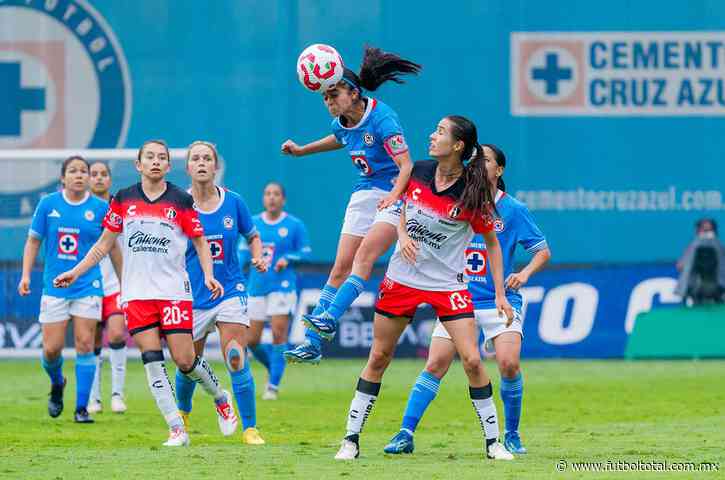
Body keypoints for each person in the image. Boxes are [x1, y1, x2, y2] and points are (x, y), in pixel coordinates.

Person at [333, 116, 515, 461]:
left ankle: (494, 443)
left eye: (441, 132)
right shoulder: (417, 171)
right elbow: (400, 208)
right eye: (434, 129)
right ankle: (350, 440)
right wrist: (401, 235)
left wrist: (500, 293)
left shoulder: (472, 194)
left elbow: (491, 243)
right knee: (378, 357)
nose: (432, 136)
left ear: (458, 146)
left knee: (473, 361)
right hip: (402, 280)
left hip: (448, 286)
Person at [53, 140, 236, 447]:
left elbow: (201, 242)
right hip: (137, 295)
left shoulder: (180, 200)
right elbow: (103, 244)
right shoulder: (123, 199)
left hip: (174, 293)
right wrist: (75, 271)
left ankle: (220, 396)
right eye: (149, 157)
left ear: (167, 165)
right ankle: (176, 429)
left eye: (161, 157)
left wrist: (207, 275)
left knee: (185, 360)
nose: (155, 161)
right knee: (152, 360)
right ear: (138, 165)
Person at [384, 144, 551, 456]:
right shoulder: (455, 198)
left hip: (498, 300)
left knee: (509, 364)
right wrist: (405, 238)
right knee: (435, 363)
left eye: (485, 160)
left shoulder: (512, 209)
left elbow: (543, 251)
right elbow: (407, 209)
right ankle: (405, 432)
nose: (478, 163)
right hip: (459, 299)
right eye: (475, 158)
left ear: (499, 170)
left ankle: (511, 434)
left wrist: (524, 274)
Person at [282, 46, 421, 364]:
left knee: (364, 258)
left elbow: (406, 165)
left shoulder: (382, 119)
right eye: (325, 98)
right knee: (338, 269)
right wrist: (302, 150)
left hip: (395, 193)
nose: (329, 101)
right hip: (364, 192)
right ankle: (312, 344)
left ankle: (329, 318)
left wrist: (394, 196)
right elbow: (339, 138)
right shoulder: (341, 123)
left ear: (354, 92)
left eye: (334, 94)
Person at [174, 141, 267, 445]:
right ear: (188, 167)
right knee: (187, 362)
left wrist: (259, 255)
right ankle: (183, 416)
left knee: (236, 357)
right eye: (195, 159)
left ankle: (250, 429)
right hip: (192, 295)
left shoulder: (234, 202)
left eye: (207, 158)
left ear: (216, 166)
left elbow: (252, 235)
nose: (201, 163)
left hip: (230, 289)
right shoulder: (178, 205)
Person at [18, 155, 109, 423]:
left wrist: (125, 281)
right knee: (51, 350)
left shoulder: (100, 208)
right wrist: (25, 275)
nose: (79, 175)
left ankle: (81, 409)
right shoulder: (48, 204)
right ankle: (58, 384)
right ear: (63, 177)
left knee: (84, 344)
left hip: (88, 285)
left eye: (84, 171)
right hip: (55, 287)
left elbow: (110, 247)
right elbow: (34, 241)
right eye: (73, 171)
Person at [244, 182, 310, 399]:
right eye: (268, 194)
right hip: (257, 285)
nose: (272, 198)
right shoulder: (252, 223)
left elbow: (305, 252)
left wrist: (287, 258)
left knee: (278, 335)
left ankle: (272, 386)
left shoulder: (294, 225)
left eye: (276, 194)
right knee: (251, 340)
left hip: (282, 286)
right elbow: (241, 253)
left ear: (283, 199)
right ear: (263, 198)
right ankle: (274, 368)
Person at [87, 161, 128, 414]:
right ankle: (93, 398)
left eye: (104, 174)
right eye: (94, 174)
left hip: (115, 284)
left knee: (115, 335)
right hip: (88, 285)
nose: (99, 178)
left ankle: (117, 394)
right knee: (90, 344)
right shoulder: (82, 210)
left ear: (110, 180)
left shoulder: (121, 208)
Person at [675, 218, 725, 304]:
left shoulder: (718, 246)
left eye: (709, 229)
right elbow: (681, 266)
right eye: (704, 229)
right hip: (695, 284)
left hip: (718, 285)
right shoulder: (693, 246)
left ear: (714, 230)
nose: (706, 232)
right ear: (698, 230)